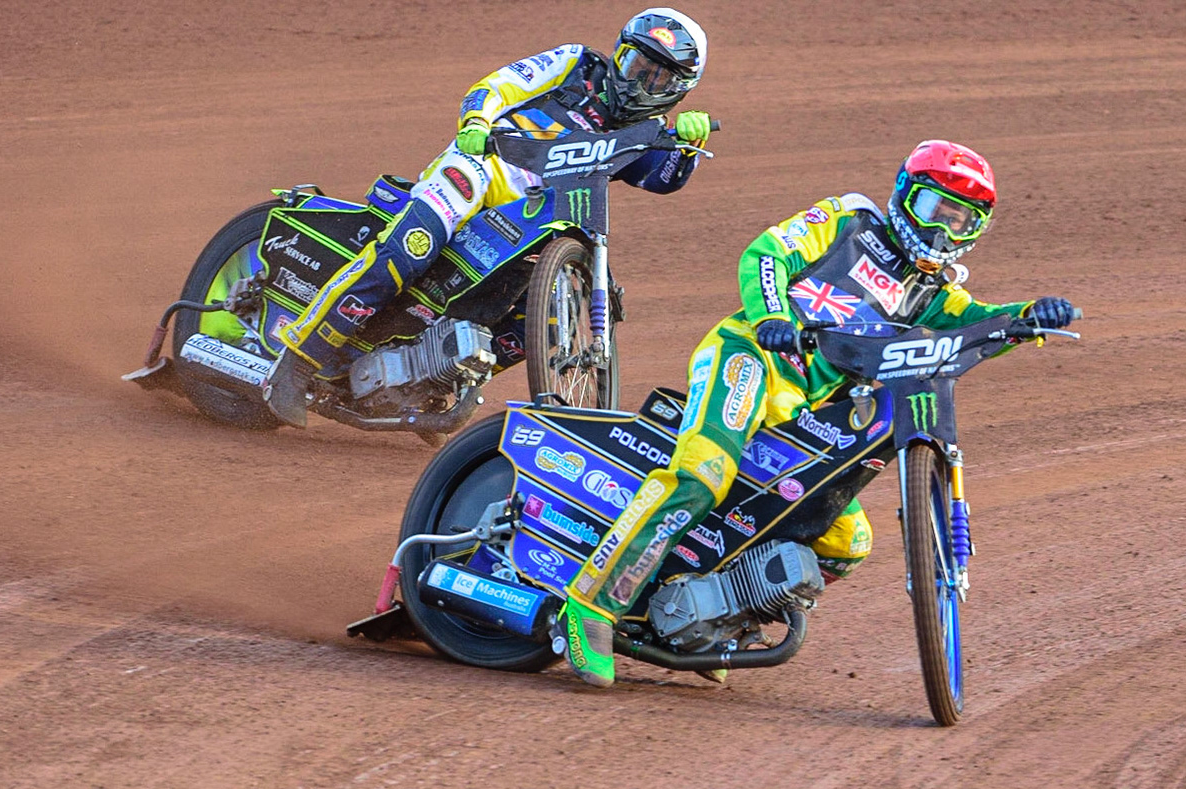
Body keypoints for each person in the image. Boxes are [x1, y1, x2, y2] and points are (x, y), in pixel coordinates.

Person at [556, 139, 1078, 687]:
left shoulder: (934, 295)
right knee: (703, 474)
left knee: (846, 542)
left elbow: (978, 320)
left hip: (806, 408)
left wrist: (1027, 317)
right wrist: (772, 316)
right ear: (905, 196)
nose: (940, 233)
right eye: (933, 211)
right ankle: (590, 605)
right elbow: (766, 254)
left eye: (959, 223)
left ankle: (717, 615)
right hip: (752, 356)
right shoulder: (851, 221)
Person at [264, 8, 714, 428]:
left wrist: (686, 147)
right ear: (619, 53)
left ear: (678, 89)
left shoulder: (645, 134)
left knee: (545, 318)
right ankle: (297, 361)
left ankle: (431, 380)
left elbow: (662, 179)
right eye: (636, 64)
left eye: (657, 78)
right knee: (411, 249)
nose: (641, 81)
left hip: (538, 213)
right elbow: (499, 85)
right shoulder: (577, 63)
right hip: (479, 169)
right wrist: (477, 121)